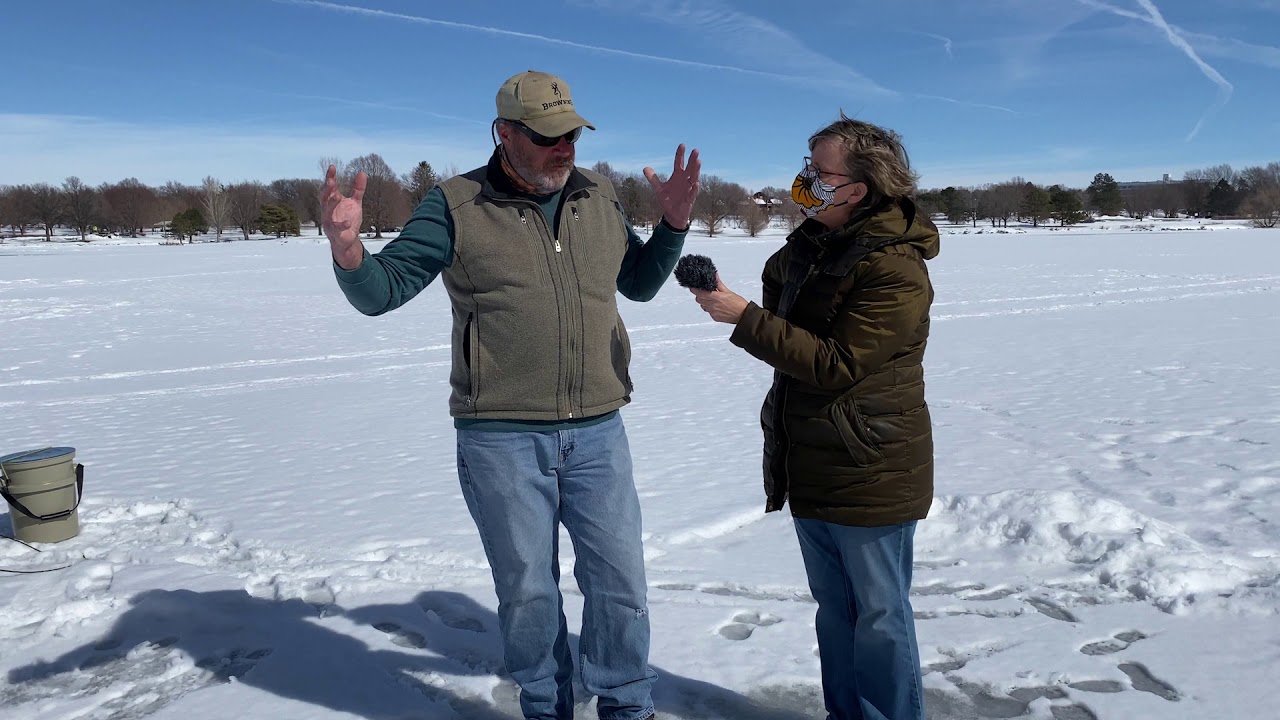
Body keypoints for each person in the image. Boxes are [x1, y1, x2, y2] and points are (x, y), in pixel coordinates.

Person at [321, 70, 701, 720]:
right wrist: (349, 248)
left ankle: (627, 708)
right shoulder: (457, 204)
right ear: (504, 133)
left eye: (572, 134)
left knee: (621, 585)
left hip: (599, 433)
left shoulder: (599, 197)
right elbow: (381, 292)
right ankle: (545, 707)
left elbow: (637, 284)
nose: (564, 148)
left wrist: (671, 226)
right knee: (529, 594)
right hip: (500, 438)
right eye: (547, 135)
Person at [689, 113, 938, 720]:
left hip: (870, 465)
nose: (805, 183)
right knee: (836, 612)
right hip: (811, 457)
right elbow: (793, 333)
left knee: (880, 617)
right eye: (806, 168)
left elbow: (835, 364)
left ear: (860, 188)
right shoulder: (813, 248)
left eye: (820, 174)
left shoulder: (895, 267)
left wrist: (740, 315)